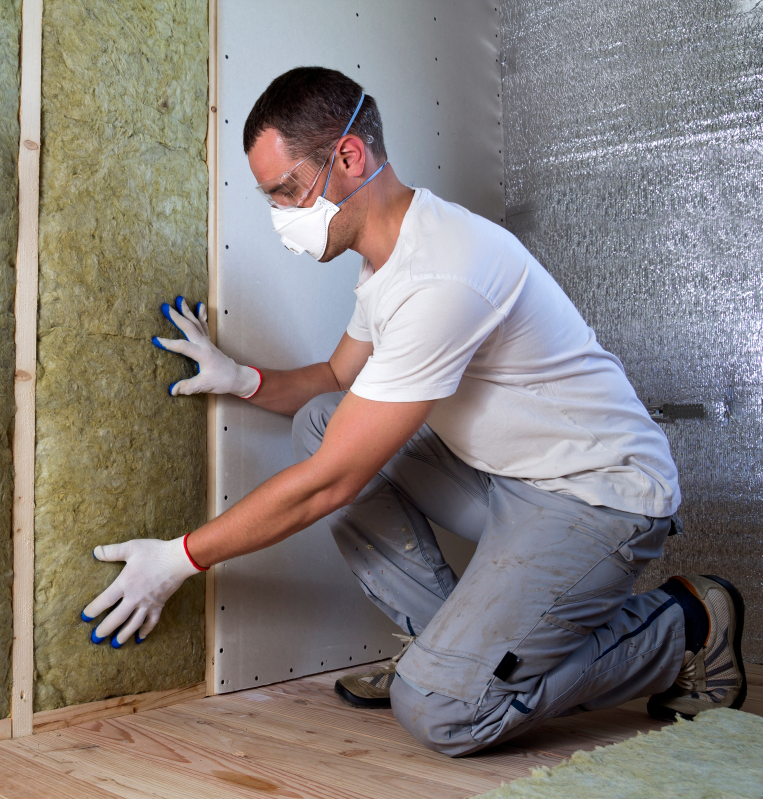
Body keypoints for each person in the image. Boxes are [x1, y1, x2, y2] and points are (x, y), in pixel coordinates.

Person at [79, 66, 747, 755]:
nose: (281, 215)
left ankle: (683, 626)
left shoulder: (443, 273)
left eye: (287, 191)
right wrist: (240, 377)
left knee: (441, 711)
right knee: (322, 420)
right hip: (510, 480)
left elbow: (331, 483)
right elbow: (335, 378)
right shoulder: (385, 265)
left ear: (348, 158)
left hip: (598, 496)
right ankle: (447, 652)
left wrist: (181, 558)